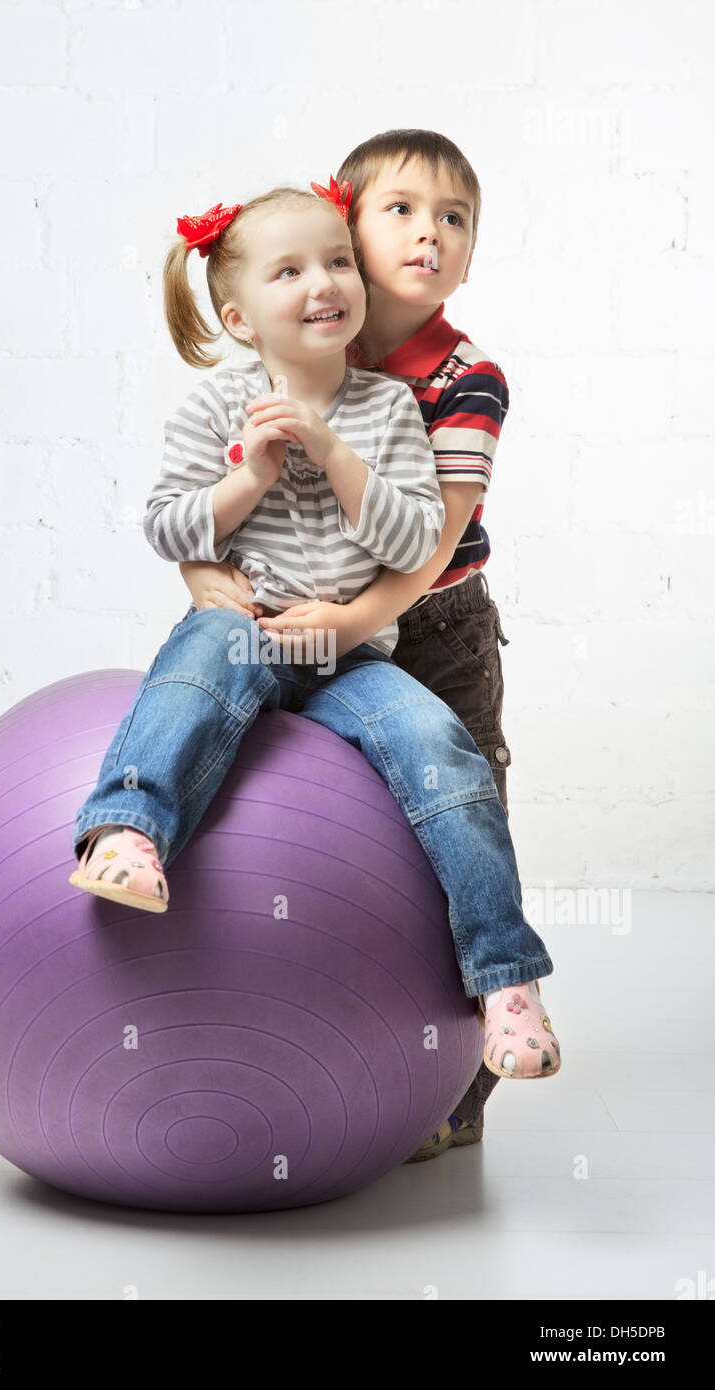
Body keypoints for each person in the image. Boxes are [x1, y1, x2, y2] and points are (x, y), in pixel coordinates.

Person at [68, 176, 561, 1130]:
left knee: (442, 750)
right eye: (290, 270)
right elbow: (168, 528)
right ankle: (129, 829)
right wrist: (247, 480)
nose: (325, 281)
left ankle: (507, 984)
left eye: (337, 260)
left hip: (357, 659)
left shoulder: (385, 410)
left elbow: (418, 540)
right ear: (240, 319)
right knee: (197, 664)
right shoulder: (215, 409)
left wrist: (334, 452)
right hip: (247, 632)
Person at [178, 131, 524, 1162]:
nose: (429, 231)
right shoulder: (311, 343)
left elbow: (433, 543)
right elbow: (217, 497)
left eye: (452, 218)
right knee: (303, 817)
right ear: (346, 235)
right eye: (401, 211)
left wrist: (354, 621)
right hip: (299, 623)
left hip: (430, 626)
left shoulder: (467, 377)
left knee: (452, 817)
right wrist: (208, 585)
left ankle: (458, 1090)